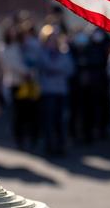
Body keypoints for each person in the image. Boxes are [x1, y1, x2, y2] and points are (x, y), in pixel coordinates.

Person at [29, 25, 76, 156]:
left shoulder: (64, 53)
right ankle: (49, 145)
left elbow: (70, 69)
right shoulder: (41, 52)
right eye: (50, 38)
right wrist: (56, 69)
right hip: (47, 91)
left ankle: (61, 146)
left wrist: (54, 69)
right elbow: (44, 66)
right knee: (48, 120)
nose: (53, 41)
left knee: (60, 120)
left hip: (61, 91)